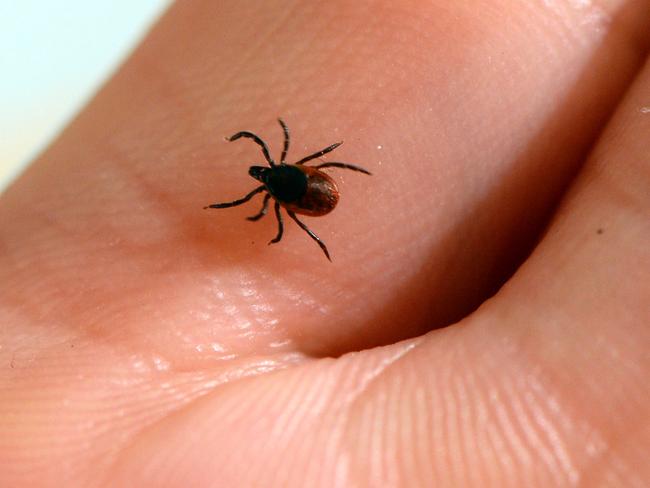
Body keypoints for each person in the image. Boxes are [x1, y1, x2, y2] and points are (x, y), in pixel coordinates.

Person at [1, 1, 648, 486]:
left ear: (271, 170)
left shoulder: (279, 192)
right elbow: (287, 193)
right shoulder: (289, 179)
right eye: (261, 172)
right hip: (319, 185)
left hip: (318, 188)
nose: (259, 173)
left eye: (260, 169)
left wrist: (263, 207)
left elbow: (278, 214)